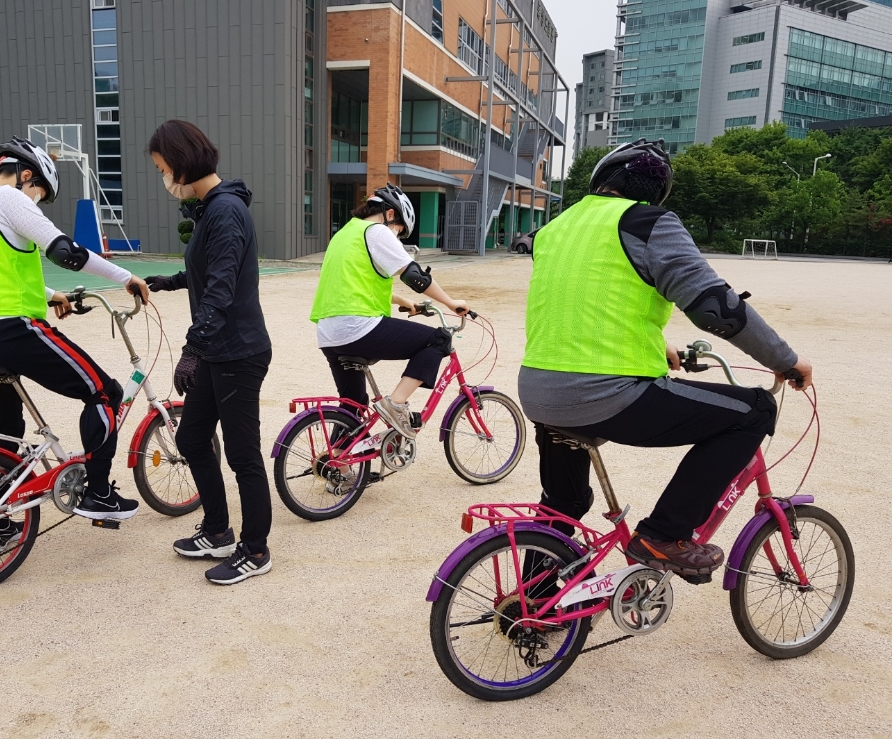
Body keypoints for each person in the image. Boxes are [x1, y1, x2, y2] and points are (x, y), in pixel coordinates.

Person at [519, 138, 812, 580]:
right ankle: (664, 535)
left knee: (566, 503)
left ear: (603, 180)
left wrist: (659, 346)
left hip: (539, 391)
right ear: (654, 191)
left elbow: (587, 304)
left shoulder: (555, 229)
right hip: (603, 393)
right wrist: (785, 360)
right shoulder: (646, 223)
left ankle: (532, 607)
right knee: (753, 411)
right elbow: (715, 308)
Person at [0, 137, 150, 544]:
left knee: (5, 433)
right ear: (25, 175)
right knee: (105, 392)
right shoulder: (10, 198)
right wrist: (126, 278)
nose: (37, 202)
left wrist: (52, 296)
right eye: (40, 194)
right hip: (6, 332)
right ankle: (99, 494)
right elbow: (65, 251)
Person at [143, 120, 273, 586]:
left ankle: (255, 550)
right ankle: (217, 530)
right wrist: (170, 282)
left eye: (162, 168)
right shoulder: (210, 209)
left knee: (243, 456)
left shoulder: (225, 210)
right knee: (192, 439)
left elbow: (221, 287)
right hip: (218, 351)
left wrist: (191, 349)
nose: (163, 178)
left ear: (181, 161)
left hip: (237, 352)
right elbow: (211, 270)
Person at [309, 184, 468, 447]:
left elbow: (356, 281)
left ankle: (339, 467)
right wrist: (451, 303)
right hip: (357, 327)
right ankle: (396, 404)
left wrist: (403, 300)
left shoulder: (344, 234)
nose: (397, 236)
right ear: (391, 214)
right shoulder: (377, 231)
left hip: (329, 333)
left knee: (354, 408)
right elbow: (414, 274)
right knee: (438, 339)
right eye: (400, 230)